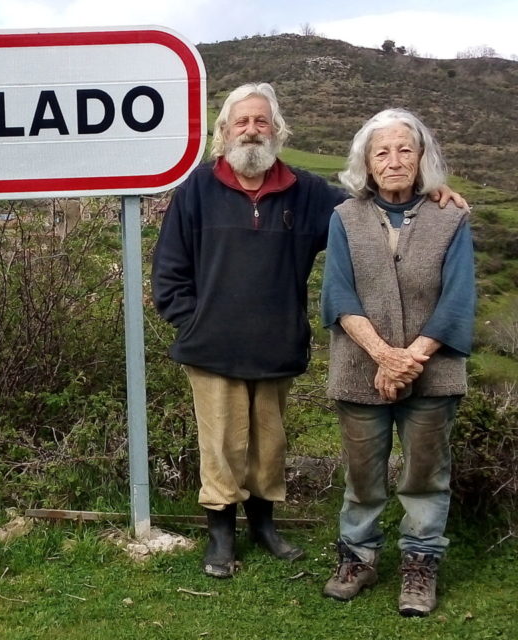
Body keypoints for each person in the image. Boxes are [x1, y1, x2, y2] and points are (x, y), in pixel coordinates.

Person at [151, 83, 465, 579]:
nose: (252, 130)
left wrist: (430, 193)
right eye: (242, 122)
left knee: (268, 445)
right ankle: (220, 535)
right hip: (211, 345)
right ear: (224, 131)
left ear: (277, 130)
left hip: (277, 345)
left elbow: (371, 205)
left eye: (262, 121)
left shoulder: (307, 191)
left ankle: (264, 527)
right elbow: (169, 267)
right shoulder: (198, 189)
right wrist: (193, 320)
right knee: (223, 445)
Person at [320, 109, 474, 617]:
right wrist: (384, 355)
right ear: (366, 163)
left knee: (427, 475)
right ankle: (357, 557)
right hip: (359, 368)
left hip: (434, 372)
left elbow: (458, 299)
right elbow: (338, 295)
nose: (394, 160)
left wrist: (410, 358)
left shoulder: (451, 216)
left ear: (421, 157)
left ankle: (420, 563)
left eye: (404, 150)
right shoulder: (344, 217)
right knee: (363, 476)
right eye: (381, 152)